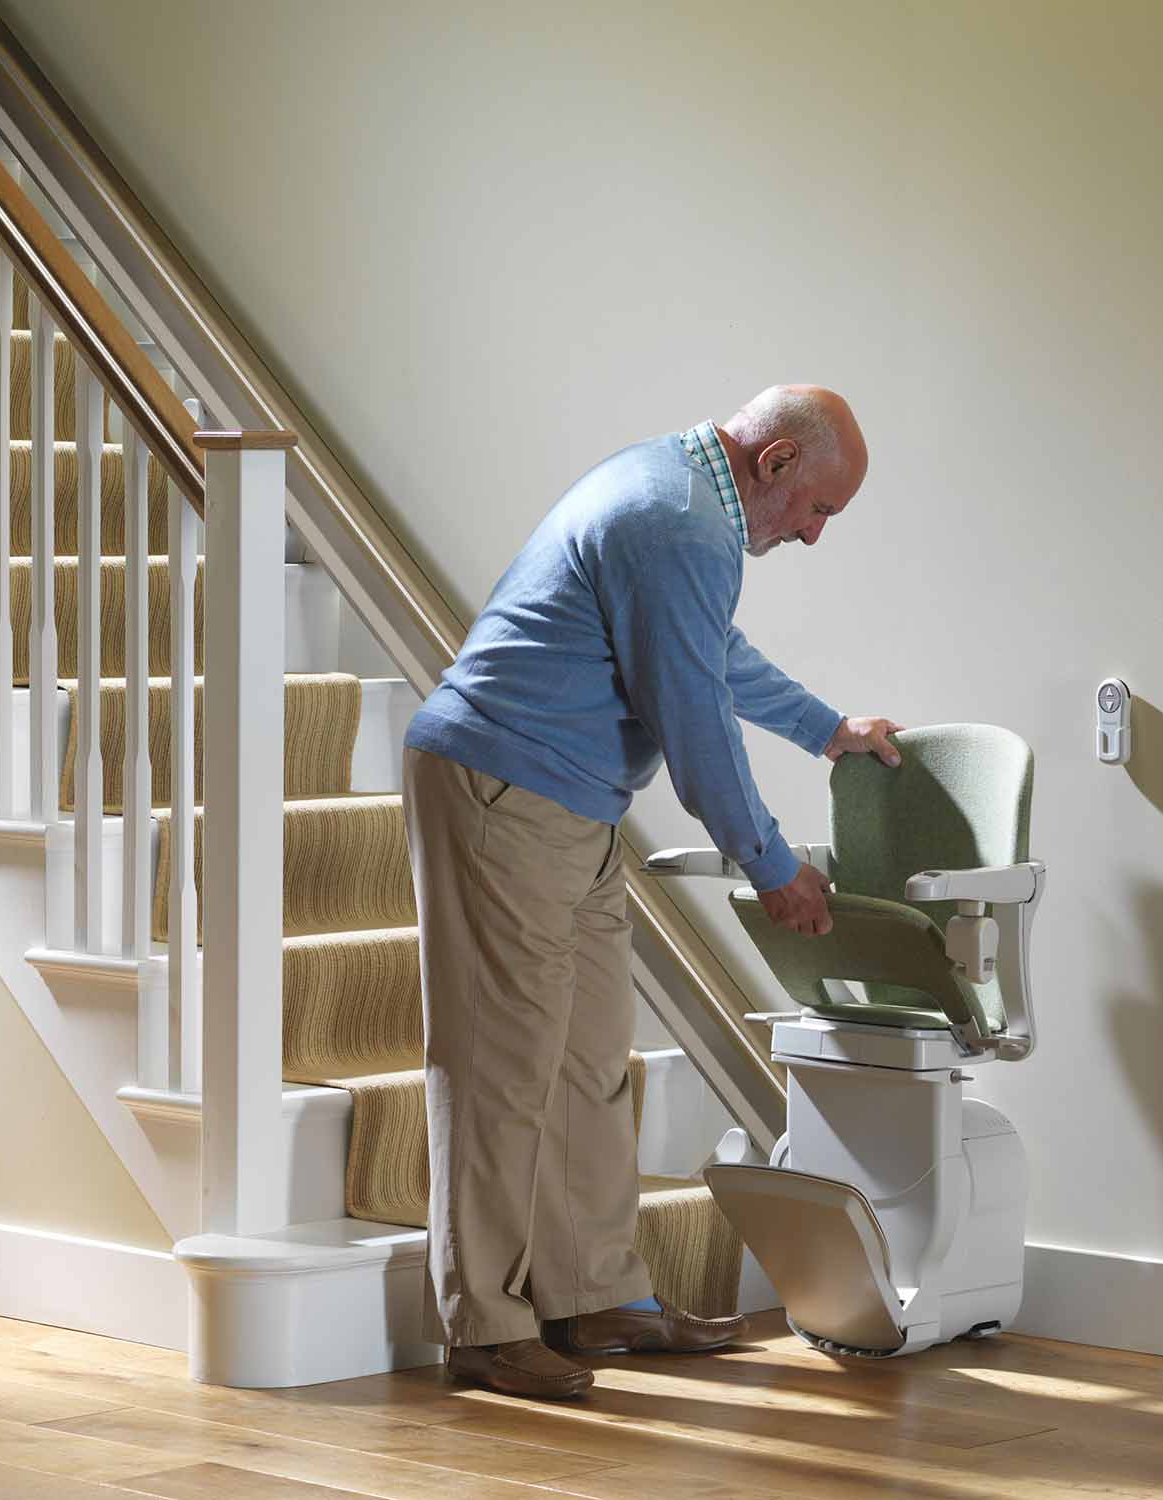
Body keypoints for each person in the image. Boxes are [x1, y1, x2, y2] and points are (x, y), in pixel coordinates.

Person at [401, 386, 902, 1400]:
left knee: (589, 1061)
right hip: (504, 790)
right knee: (503, 1068)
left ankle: (592, 1298)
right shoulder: (675, 519)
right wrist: (770, 867)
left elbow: (710, 657)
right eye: (816, 510)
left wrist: (826, 729)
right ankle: (487, 1328)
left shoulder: (688, 504)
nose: (811, 536)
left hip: (570, 802)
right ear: (771, 464)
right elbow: (694, 727)